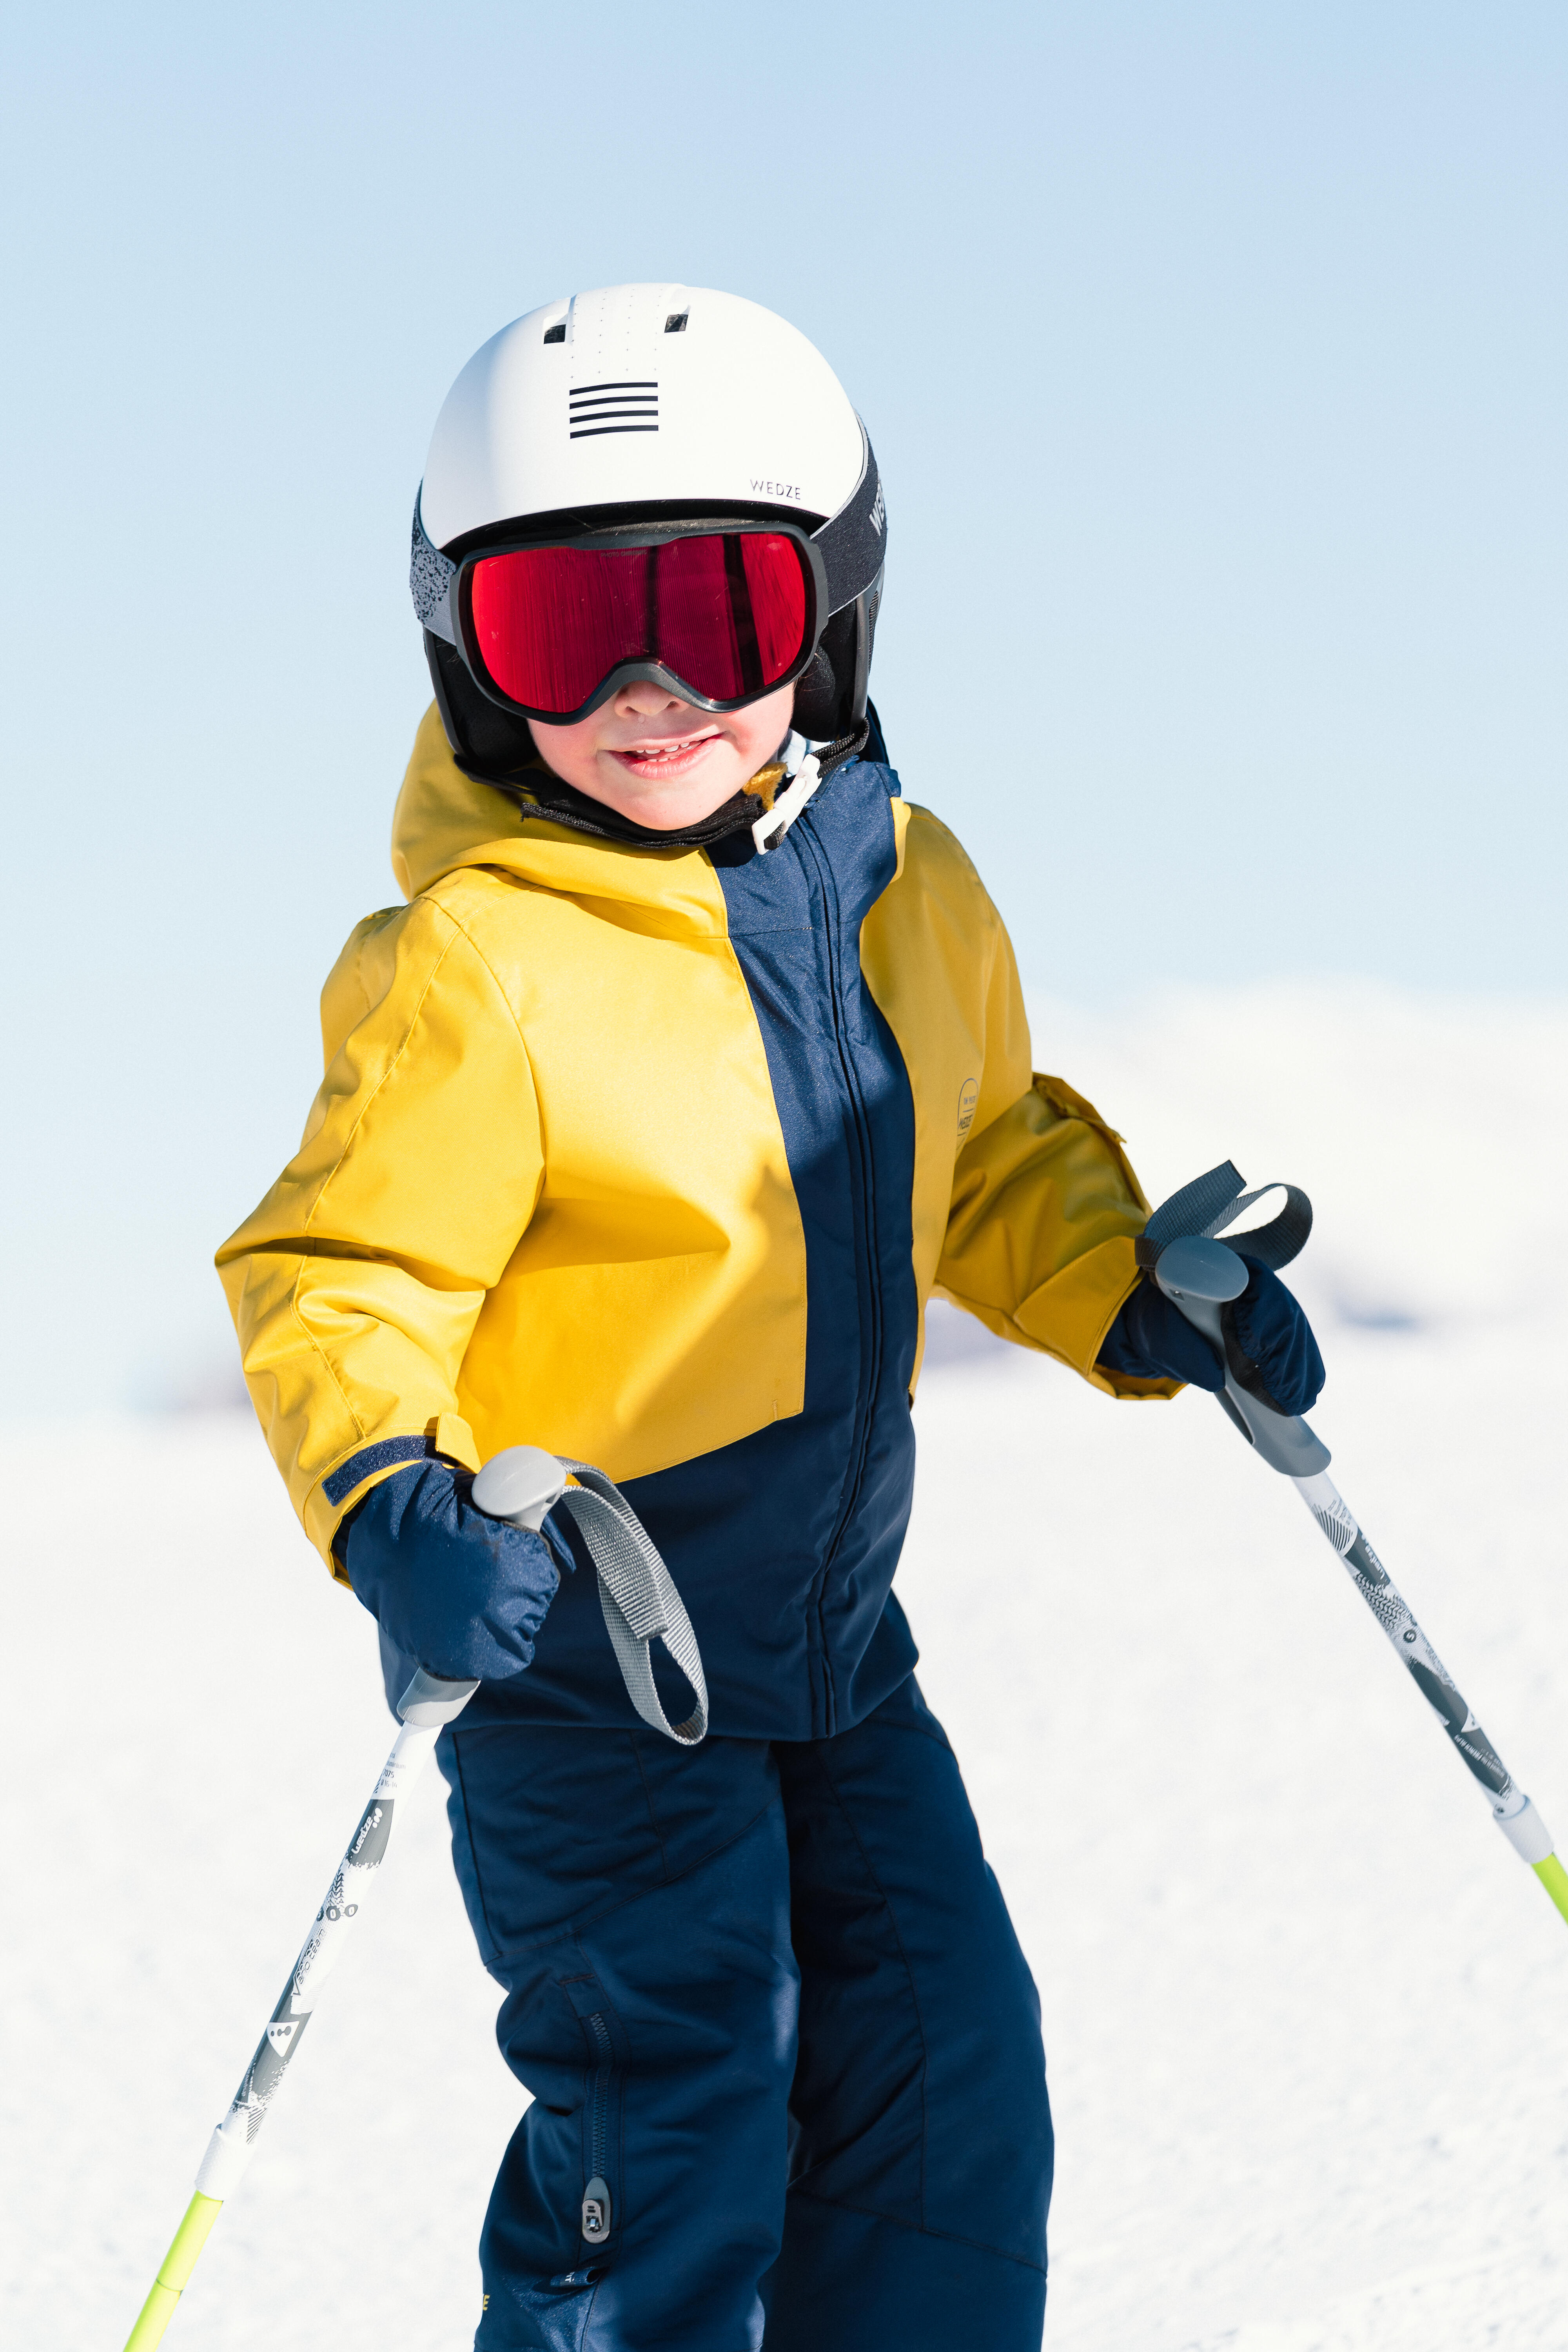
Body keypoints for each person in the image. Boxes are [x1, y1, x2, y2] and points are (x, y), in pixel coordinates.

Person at [217, 281, 1323, 2351]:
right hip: (586, 1661)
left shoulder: (917, 892)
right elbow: (348, 1272)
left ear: (829, 610)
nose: (645, 688)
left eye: (712, 612)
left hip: (831, 1648)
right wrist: (386, 1493)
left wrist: (1137, 1296)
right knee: (680, 2105)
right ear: (469, 651)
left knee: (943, 2080)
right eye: (564, 628)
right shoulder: (483, 966)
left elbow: (979, 1156)